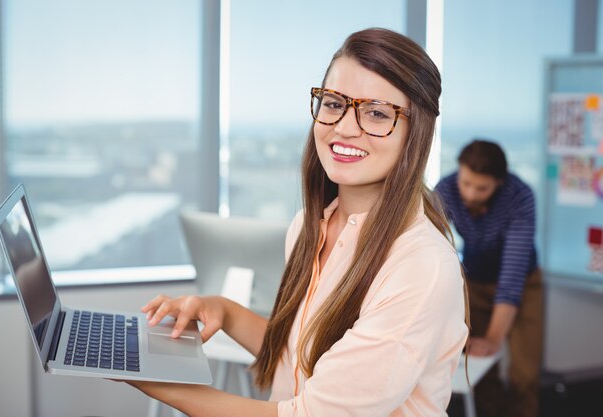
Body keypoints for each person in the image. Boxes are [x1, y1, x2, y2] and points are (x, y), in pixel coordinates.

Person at [123, 28, 469, 417]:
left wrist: (160, 382)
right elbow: (300, 357)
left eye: (376, 113)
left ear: (416, 133)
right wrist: (223, 310)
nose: (344, 127)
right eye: (334, 103)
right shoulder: (309, 226)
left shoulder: (421, 268)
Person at [434, 139, 543, 417]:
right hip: (474, 278)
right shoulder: (445, 190)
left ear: (499, 182)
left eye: (481, 188)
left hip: (524, 283)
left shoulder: (520, 196)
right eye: (466, 182)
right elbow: (432, 249)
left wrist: (494, 338)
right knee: (480, 371)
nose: (470, 193)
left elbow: (512, 275)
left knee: (525, 373)